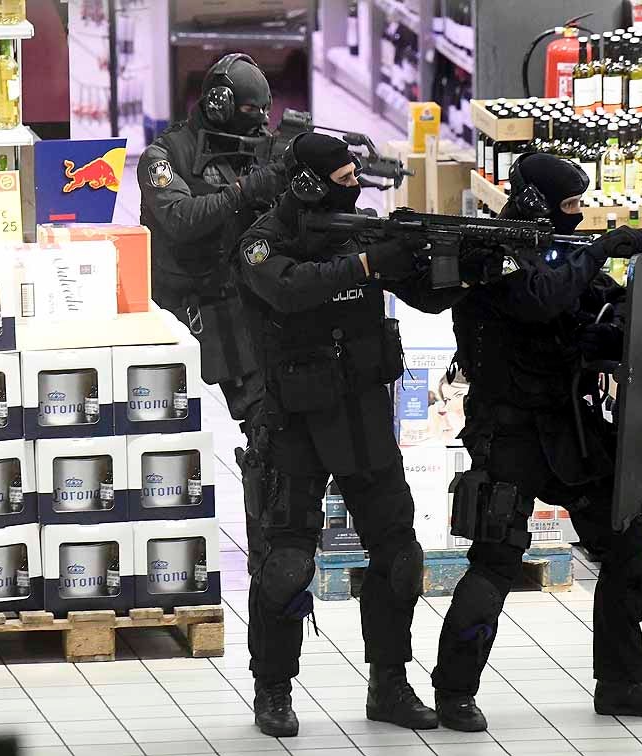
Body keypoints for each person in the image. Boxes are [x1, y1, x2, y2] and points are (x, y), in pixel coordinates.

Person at [432, 153, 642, 731]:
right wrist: (597, 251)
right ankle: (453, 691)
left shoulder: (560, 249)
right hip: (508, 433)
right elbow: (537, 299)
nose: (575, 218)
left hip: (565, 427)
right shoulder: (489, 252)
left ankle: (622, 681)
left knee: (625, 540)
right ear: (534, 201)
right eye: (568, 206)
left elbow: (591, 302)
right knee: (496, 560)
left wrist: (621, 315)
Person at [233, 132, 467, 737]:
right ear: (308, 182)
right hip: (295, 425)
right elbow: (287, 287)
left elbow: (431, 296)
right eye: (342, 179)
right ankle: (274, 690)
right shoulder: (264, 241)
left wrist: (445, 257)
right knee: (286, 564)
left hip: (362, 419)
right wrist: (364, 265)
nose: (355, 187)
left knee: (399, 556)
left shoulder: (360, 229)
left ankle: (389, 683)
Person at [138, 52, 284, 429]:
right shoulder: (163, 156)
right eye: (251, 112)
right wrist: (245, 190)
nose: (260, 126)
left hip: (240, 295)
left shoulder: (254, 148)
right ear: (220, 106)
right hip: (185, 304)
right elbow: (181, 220)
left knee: (275, 412)